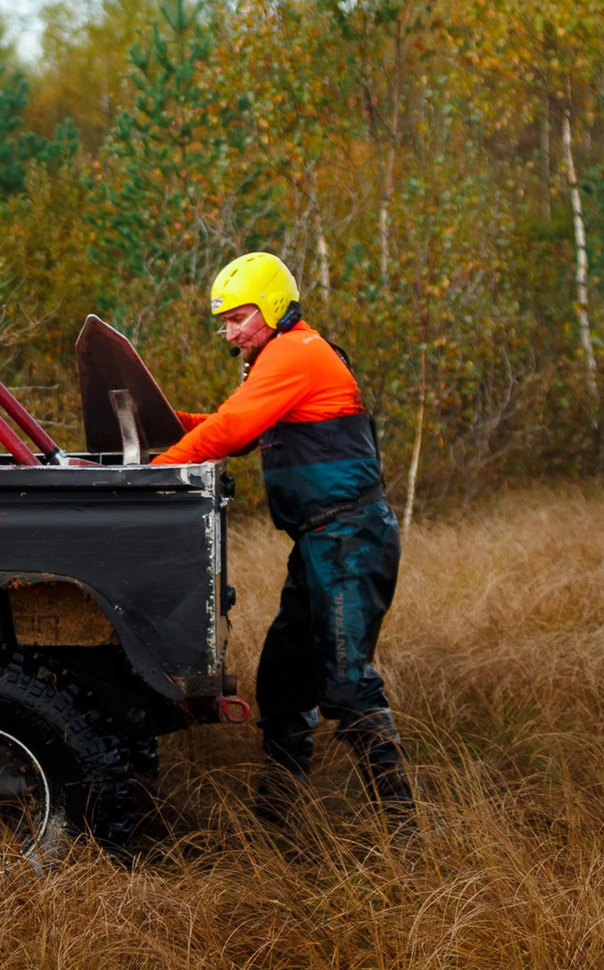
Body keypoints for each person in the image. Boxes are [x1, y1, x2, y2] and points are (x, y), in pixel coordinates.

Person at [152, 253, 413, 826]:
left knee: (347, 686)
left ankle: (406, 831)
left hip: (351, 538)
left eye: (237, 318)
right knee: (282, 681)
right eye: (223, 321)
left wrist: (153, 475)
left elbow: (232, 429)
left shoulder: (297, 354)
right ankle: (277, 821)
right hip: (322, 542)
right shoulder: (276, 359)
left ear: (271, 306)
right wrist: (161, 421)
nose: (229, 333)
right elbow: (234, 427)